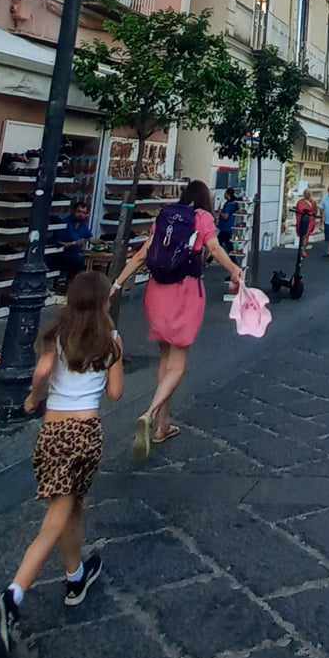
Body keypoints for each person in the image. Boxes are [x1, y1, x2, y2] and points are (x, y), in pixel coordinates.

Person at [0, 272, 124, 658]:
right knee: (57, 517)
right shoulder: (111, 341)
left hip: (52, 434)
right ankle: (11, 597)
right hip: (85, 433)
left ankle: (76, 576)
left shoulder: (57, 336)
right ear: (103, 304)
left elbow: (43, 373)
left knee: (72, 504)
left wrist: (33, 398)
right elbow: (116, 394)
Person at [113, 180, 241, 461]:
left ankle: (163, 426)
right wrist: (234, 269)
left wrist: (117, 283)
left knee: (165, 359)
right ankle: (150, 414)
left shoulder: (166, 215)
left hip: (157, 291)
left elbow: (143, 254)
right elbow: (214, 248)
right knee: (179, 364)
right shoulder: (202, 217)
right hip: (185, 291)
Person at [58, 198, 93, 285]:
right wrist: (72, 243)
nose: (81, 215)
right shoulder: (64, 223)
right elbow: (58, 241)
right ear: (73, 211)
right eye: (79, 212)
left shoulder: (83, 225)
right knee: (78, 260)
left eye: (84, 213)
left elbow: (88, 237)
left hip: (76, 255)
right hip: (63, 254)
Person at [295, 188, 317, 257]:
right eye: (306, 193)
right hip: (302, 220)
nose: (307, 195)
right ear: (304, 194)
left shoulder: (313, 202)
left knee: (306, 235)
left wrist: (312, 217)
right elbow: (298, 211)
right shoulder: (300, 202)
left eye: (308, 193)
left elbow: (315, 211)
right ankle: (302, 249)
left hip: (309, 221)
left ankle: (303, 250)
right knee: (303, 235)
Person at [217, 187, 239, 256]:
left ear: (228, 194)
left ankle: (209, 260)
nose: (224, 195)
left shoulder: (229, 204)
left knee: (218, 246)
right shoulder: (234, 203)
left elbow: (226, 216)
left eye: (225, 193)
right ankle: (210, 259)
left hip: (226, 229)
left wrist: (220, 212)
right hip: (228, 228)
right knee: (226, 246)